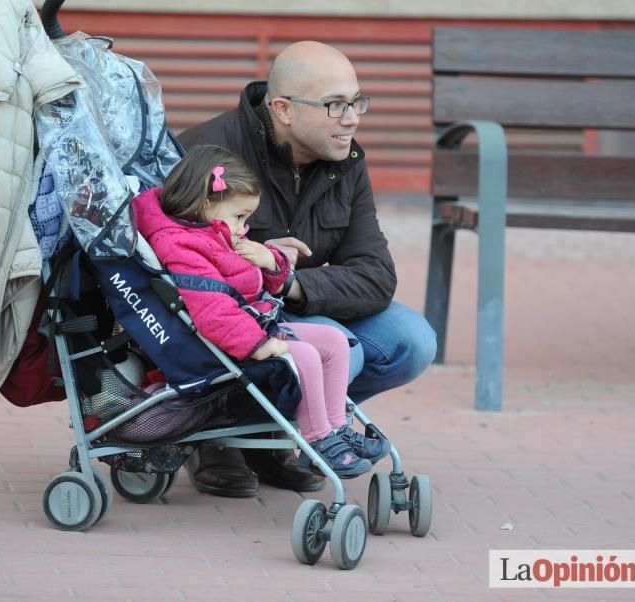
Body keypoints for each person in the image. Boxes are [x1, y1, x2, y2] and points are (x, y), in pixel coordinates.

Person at [177, 40, 438, 497]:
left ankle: (269, 435)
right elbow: (175, 265)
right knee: (340, 348)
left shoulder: (347, 160)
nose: (352, 119)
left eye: (357, 101)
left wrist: (293, 281)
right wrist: (257, 263)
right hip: (233, 318)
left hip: (300, 303)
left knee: (413, 341)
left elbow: (376, 274)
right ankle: (217, 436)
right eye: (336, 105)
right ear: (283, 109)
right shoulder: (207, 154)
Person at [133, 145, 390, 481]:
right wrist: (256, 344)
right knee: (308, 356)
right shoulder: (181, 244)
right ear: (206, 204)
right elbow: (211, 307)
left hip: (257, 323)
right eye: (240, 217)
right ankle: (318, 440)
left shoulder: (217, 233)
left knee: (334, 341)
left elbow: (251, 284)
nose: (244, 227)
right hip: (228, 344)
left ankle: (336, 426)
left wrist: (271, 261)